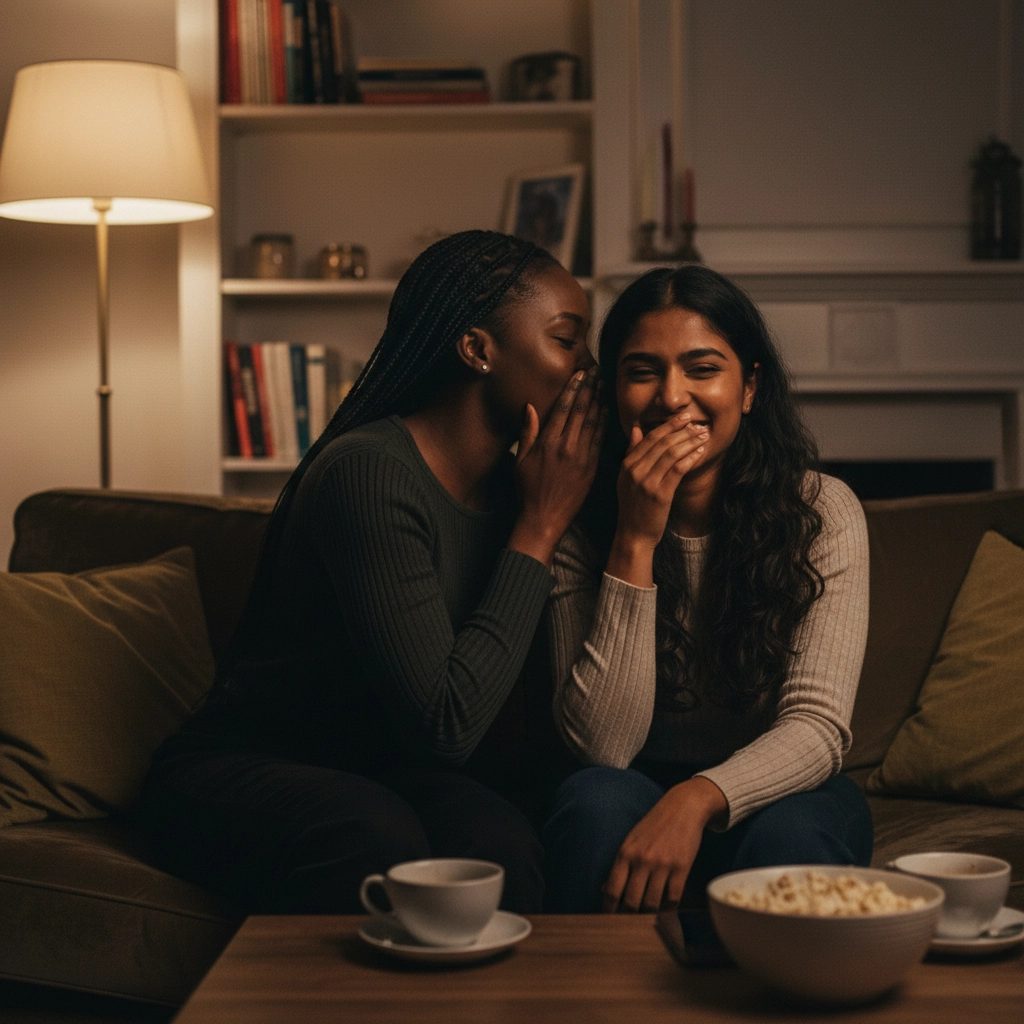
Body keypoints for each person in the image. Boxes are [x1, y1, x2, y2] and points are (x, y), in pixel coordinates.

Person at [136, 230, 603, 915]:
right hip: (244, 769)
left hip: (381, 770)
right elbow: (447, 724)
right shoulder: (370, 473)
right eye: (569, 339)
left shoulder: (524, 480)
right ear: (477, 349)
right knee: (367, 835)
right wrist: (540, 527)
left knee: (500, 846)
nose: (588, 365)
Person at [542, 264, 871, 913]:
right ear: (613, 391)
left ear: (747, 388)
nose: (671, 396)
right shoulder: (578, 522)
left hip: (782, 791)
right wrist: (634, 538)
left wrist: (696, 799)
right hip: (631, 781)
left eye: (701, 368)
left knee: (794, 837)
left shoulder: (822, 511)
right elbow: (603, 749)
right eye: (642, 371)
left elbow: (818, 726)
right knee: (595, 806)